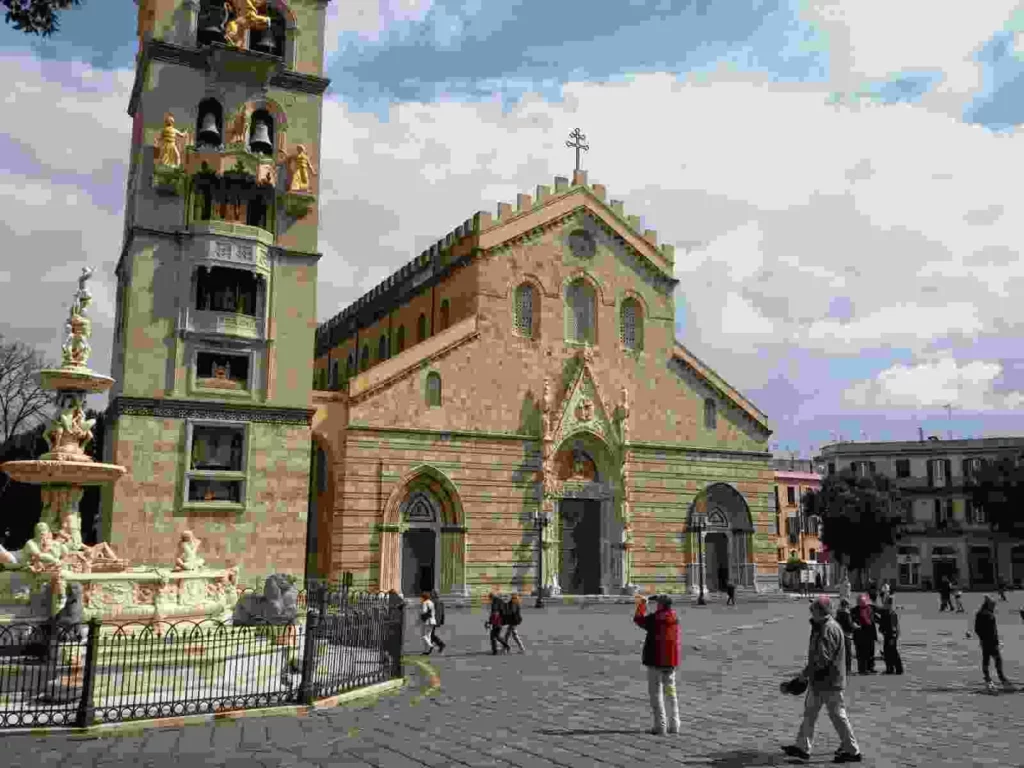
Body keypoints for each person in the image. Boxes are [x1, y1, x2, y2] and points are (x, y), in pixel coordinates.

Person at [781, 595, 863, 764]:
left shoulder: (828, 629)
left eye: (813, 609)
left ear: (820, 611)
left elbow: (821, 660)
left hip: (829, 682)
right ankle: (802, 747)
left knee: (838, 716)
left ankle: (852, 750)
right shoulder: (821, 626)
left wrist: (803, 675)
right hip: (820, 681)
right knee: (810, 713)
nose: (810, 611)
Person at [633, 594, 680, 736]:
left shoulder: (656, 618)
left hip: (656, 660)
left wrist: (642, 604)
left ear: (661, 605)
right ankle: (675, 725)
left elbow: (638, 619)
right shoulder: (674, 617)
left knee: (656, 693)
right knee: (671, 693)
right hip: (670, 662)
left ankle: (660, 726)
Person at [974, 595, 1012, 691]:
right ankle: (1002, 679)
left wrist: (981, 638)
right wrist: (996, 642)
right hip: (991, 642)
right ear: (988, 605)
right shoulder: (989, 615)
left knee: (986, 659)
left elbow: (977, 629)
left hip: (985, 641)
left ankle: (988, 679)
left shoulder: (980, 614)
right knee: (997, 660)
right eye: (993, 605)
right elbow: (993, 631)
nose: (994, 607)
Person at [876, 596, 903, 675]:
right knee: (887, 652)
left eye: (885, 603)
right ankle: (890, 668)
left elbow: (893, 627)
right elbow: (883, 623)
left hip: (891, 636)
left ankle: (898, 669)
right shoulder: (887, 613)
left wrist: (893, 637)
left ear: (889, 604)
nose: (884, 604)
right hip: (888, 635)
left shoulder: (891, 614)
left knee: (893, 652)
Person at [851, 594, 877, 674]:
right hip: (860, 634)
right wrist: (853, 624)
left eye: (864, 601)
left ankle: (870, 667)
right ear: (858, 602)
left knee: (871, 652)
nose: (863, 603)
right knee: (861, 653)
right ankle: (862, 669)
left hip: (870, 633)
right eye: (861, 601)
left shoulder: (871, 608)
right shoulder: (854, 610)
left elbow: (875, 618)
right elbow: (851, 620)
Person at [835, 598, 856, 676]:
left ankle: (840, 669)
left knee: (840, 653)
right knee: (848, 654)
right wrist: (855, 627)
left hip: (839, 635)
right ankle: (848, 670)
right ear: (846, 605)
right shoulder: (846, 614)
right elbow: (849, 625)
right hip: (846, 635)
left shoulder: (838, 613)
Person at [428, 589, 447, 654]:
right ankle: (439, 645)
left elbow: (430, 611)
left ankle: (439, 645)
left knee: (430, 635)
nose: (430, 594)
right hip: (436, 620)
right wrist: (441, 621)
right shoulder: (440, 602)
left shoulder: (433, 601)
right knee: (431, 634)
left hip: (433, 620)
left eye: (431, 594)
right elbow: (443, 613)